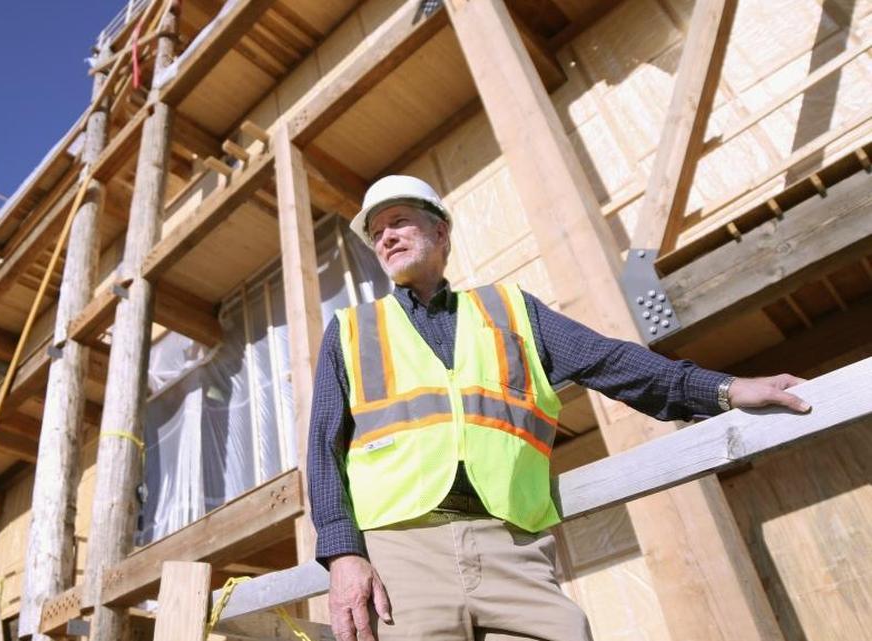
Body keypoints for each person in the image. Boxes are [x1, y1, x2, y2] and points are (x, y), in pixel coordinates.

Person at [307, 175, 810, 641]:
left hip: (514, 547)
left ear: (441, 232)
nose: (386, 238)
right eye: (376, 232)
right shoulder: (351, 331)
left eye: (398, 222)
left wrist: (723, 389)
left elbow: (609, 360)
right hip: (403, 559)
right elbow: (324, 451)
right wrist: (344, 555)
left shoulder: (511, 310)